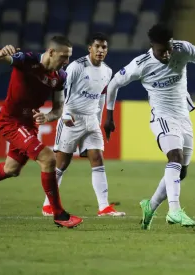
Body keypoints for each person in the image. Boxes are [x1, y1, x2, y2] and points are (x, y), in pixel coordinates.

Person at [103, 23, 195, 230]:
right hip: (162, 116)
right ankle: (174, 210)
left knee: (181, 172)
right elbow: (113, 84)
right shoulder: (141, 64)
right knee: (174, 157)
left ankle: (150, 206)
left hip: (183, 116)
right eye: (162, 50)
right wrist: (109, 116)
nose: (167, 54)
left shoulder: (182, 48)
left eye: (168, 48)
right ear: (152, 46)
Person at [0, 36, 83, 228]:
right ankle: (59, 214)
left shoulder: (60, 77)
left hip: (29, 125)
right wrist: (1, 52)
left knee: (12, 169)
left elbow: (58, 109)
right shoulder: (27, 60)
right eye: (63, 57)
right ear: (51, 52)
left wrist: (48, 117)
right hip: (11, 121)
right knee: (48, 158)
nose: (66, 62)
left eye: (69, 57)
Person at [41, 33, 125, 217]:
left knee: (97, 159)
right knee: (61, 163)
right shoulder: (77, 67)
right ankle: (48, 205)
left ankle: (104, 207)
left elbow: (102, 97)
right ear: (90, 48)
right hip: (72, 118)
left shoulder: (107, 71)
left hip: (91, 119)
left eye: (104, 47)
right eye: (97, 46)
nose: (101, 50)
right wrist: (65, 114)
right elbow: (62, 89)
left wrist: (102, 119)